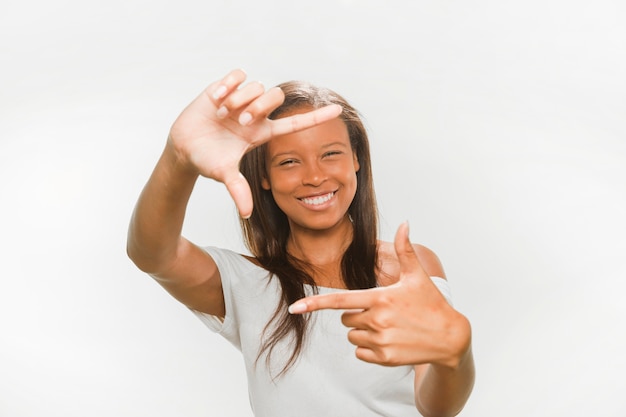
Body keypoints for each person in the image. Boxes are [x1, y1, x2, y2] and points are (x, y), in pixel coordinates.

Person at [127, 68, 475, 417]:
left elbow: (436, 409)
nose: (314, 177)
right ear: (263, 176)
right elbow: (152, 253)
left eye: (331, 154)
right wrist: (178, 156)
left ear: (356, 159)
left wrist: (455, 356)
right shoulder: (244, 283)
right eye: (289, 161)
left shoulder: (407, 269)